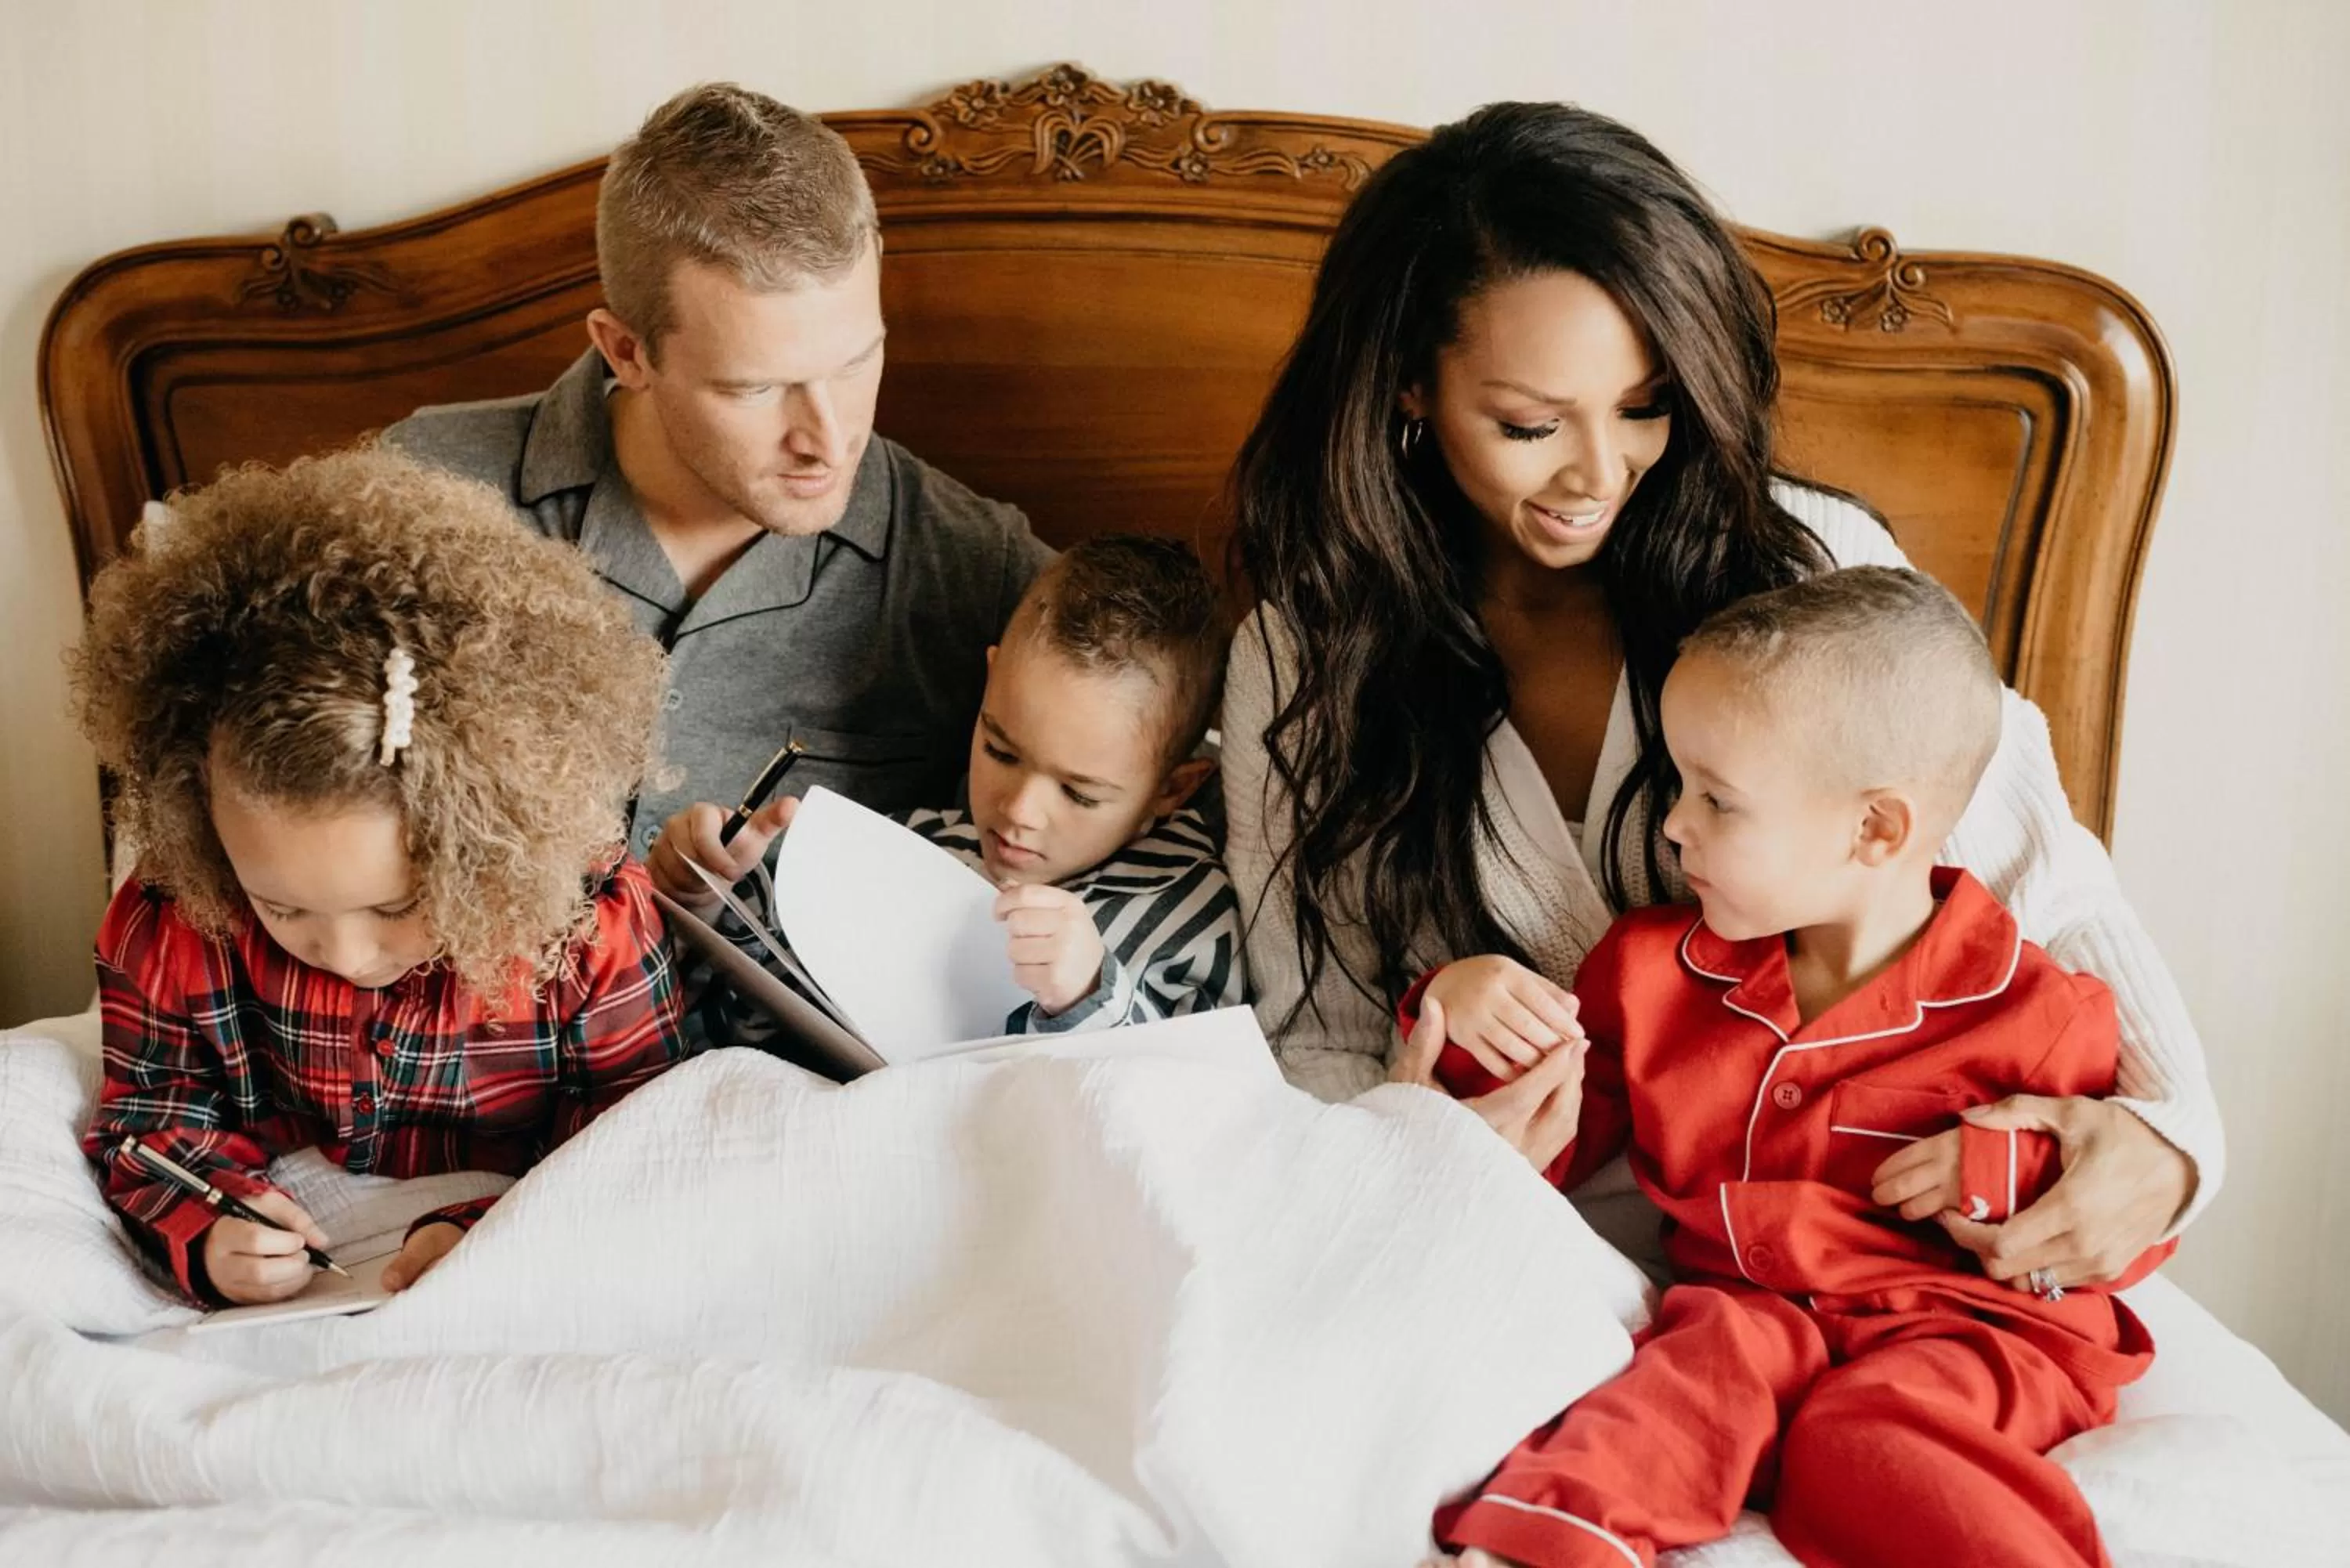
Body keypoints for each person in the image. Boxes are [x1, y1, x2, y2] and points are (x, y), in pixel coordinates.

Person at [1221, 99, 2221, 1291]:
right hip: (1491, 1245)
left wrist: (2173, 1141)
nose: (1601, 472)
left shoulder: (1814, 570)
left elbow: (2047, 883)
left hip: (1859, 1259)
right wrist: (1411, 1146)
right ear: (1407, 390)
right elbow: (1313, 1028)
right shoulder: (1304, 655)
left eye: (1645, 405)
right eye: (1531, 424)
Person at [1408, 568, 2164, 1568]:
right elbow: (1528, 1129)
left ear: (1875, 830)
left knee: (1870, 1435)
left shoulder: (2037, 1008)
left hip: (1968, 1330)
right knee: (1678, 1384)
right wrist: (1460, 1011)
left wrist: (2005, 1174)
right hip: (1747, 1311)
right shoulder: (1648, 971)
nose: (1675, 825)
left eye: (1718, 800)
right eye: (1682, 786)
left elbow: (2117, 1228)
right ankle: (1544, 1547)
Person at [74, 449, 693, 1307]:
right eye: (282, 907)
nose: (346, 953)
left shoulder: (584, 928)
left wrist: (486, 1229)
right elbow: (150, 1115)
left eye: (396, 905)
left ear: (489, 842)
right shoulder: (176, 915)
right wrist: (209, 1223)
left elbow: (639, 1139)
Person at [387, 82, 1053, 854]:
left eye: (856, 362)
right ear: (627, 351)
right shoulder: (419, 495)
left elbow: (1174, 803)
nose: (829, 439)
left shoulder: (972, 565)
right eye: (756, 388)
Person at [651, 536, 1243, 1039]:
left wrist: (1090, 995)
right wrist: (711, 901)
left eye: (1079, 794)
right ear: (988, 689)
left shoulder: (1193, 914)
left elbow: (1186, 1116)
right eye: (1000, 750)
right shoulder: (916, 844)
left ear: (1172, 791)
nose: (1019, 811)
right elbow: (766, 1017)